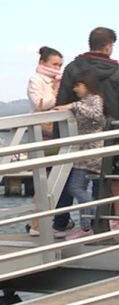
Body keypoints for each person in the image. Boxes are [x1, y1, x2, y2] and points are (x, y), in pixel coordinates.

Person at [55, 27, 119, 233]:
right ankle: (99, 224)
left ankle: (61, 223)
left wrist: (58, 138)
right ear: (108, 46)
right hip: (108, 135)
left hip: (76, 137)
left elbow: (61, 100)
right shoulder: (117, 71)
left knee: (70, 181)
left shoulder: (73, 68)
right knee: (102, 183)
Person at [53, 71, 107, 240]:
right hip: (83, 151)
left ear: (87, 85)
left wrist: (73, 106)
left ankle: (92, 216)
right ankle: (87, 226)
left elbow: (98, 116)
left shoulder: (95, 99)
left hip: (91, 151)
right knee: (78, 187)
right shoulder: (85, 101)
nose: (75, 88)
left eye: (78, 85)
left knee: (76, 188)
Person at [26, 46, 63, 236]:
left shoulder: (61, 80)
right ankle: (37, 224)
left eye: (60, 65)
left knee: (58, 179)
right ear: (43, 63)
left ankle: (55, 222)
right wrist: (55, 91)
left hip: (58, 132)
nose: (57, 68)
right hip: (42, 132)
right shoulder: (36, 79)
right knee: (43, 180)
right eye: (54, 64)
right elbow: (39, 104)